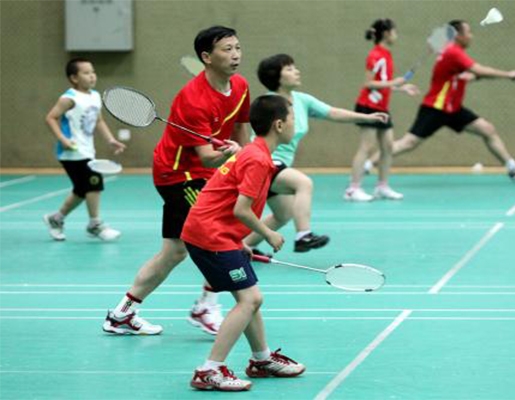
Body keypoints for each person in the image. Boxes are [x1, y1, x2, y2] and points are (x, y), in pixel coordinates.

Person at [103, 26, 249, 336]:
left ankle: (121, 314)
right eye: (227, 49)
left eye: (237, 47)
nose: (235, 54)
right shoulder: (193, 99)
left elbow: (240, 131)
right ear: (206, 57)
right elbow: (208, 156)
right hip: (177, 174)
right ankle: (206, 307)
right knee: (218, 233)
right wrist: (229, 154)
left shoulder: (240, 87)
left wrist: (244, 159)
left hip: (206, 171)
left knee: (174, 251)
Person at [183, 94, 305, 392]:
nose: (294, 124)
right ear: (278, 124)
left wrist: (239, 239)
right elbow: (240, 209)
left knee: (248, 298)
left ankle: (261, 360)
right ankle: (209, 370)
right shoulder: (258, 159)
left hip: (214, 232)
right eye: (292, 118)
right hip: (210, 235)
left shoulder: (253, 152)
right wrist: (268, 233)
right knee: (250, 299)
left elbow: (227, 205)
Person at [243, 54, 389, 254]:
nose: (297, 71)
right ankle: (304, 235)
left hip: (279, 165)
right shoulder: (269, 104)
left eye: (295, 67)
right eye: (289, 69)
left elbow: (333, 113)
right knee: (303, 183)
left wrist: (366, 117)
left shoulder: (302, 100)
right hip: (263, 161)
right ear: (276, 76)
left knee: (283, 214)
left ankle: (243, 247)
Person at [364, 20, 515, 180]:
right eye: (468, 32)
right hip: (435, 108)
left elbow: (468, 75)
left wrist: (476, 77)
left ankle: (511, 167)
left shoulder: (451, 52)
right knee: (408, 143)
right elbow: (478, 69)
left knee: (487, 129)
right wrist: (508, 75)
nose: (471, 36)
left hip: (453, 109)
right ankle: (368, 163)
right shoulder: (453, 52)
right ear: (458, 36)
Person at [43, 58, 126, 242]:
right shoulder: (69, 98)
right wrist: (63, 139)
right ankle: (94, 224)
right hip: (71, 152)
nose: (92, 76)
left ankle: (56, 219)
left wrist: (111, 140)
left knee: (82, 190)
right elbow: (51, 117)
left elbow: (99, 121)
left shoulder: (95, 96)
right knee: (94, 183)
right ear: (74, 77)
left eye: (93, 72)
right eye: (86, 73)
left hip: (88, 151)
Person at [345, 18, 420, 202]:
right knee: (367, 147)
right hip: (368, 106)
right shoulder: (375, 55)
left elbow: (383, 82)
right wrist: (395, 82)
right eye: (394, 31)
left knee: (387, 147)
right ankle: (352, 189)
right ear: (386, 34)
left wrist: (401, 88)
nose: (396, 35)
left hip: (382, 107)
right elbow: (368, 83)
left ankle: (382, 187)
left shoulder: (386, 54)